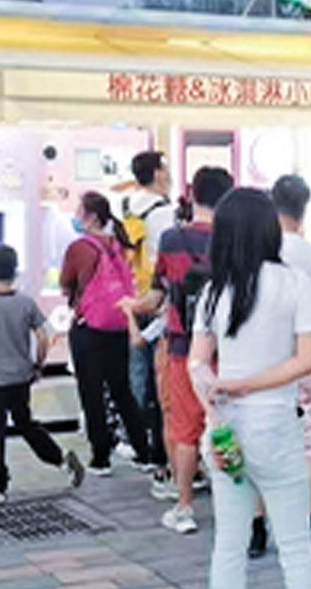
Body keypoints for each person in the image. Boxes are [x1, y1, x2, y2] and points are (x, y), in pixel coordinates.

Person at [190, 188, 311, 589]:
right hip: (275, 425)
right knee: (295, 548)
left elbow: (196, 363)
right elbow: (307, 360)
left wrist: (215, 405)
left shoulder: (214, 292)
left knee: (229, 545)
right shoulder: (294, 283)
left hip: (224, 430)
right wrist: (248, 385)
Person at [121, 166, 234, 534]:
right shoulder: (234, 242)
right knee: (228, 425)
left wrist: (132, 307)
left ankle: (184, 506)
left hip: (184, 347)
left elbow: (157, 296)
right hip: (229, 350)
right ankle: (234, 502)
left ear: (193, 193)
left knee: (184, 427)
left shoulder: (172, 239)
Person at [0, 245, 85, 504]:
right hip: (20, 376)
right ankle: (60, 459)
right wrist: (37, 365)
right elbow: (44, 337)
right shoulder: (26, 304)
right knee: (26, 423)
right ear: (15, 271)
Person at [60, 191, 150, 476]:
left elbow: (66, 284)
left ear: (91, 216)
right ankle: (143, 451)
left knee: (92, 392)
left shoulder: (80, 248)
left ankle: (101, 457)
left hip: (90, 330)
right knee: (122, 391)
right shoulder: (117, 244)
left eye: (79, 210)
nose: (76, 215)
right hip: (119, 326)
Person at [273, 175, 311, 533]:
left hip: (268, 356)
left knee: (265, 442)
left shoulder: (263, 253)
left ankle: (260, 522)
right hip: (308, 355)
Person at [122, 151, 174, 472]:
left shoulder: (127, 206)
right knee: (161, 374)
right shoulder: (163, 213)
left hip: (132, 297)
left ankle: (133, 438)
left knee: (136, 373)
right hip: (158, 298)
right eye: (164, 170)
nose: (167, 175)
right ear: (156, 173)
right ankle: (157, 446)